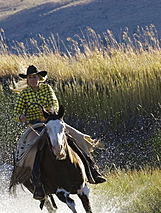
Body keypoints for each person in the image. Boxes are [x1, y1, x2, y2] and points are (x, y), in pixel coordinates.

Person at [13, 65, 106, 200]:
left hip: (52, 121)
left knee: (80, 138)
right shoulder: (24, 94)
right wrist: (21, 117)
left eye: (34, 77)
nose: (32, 80)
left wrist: (50, 113)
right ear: (27, 80)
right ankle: (36, 182)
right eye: (30, 78)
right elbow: (16, 112)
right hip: (35, 125)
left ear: (39, 78)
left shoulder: (47, 89)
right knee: (30, 150)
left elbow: (55, 104)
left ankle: (93, 170)